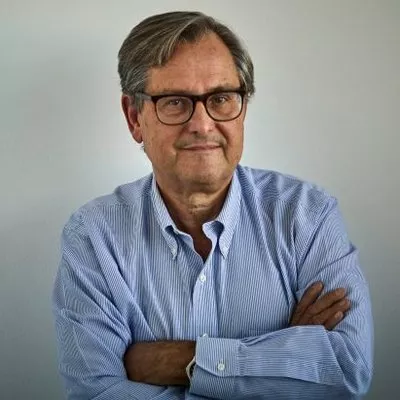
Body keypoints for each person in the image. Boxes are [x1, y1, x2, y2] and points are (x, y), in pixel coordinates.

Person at [52, 11, 373, 399]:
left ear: (243, 109)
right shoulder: (93, 238)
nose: (202, 125)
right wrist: (284, 358)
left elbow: (347, 373)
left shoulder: (307, 217)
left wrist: (180, 361)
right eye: (175, 102)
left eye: (220, 99)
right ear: (135, 117)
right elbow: (97, 393)